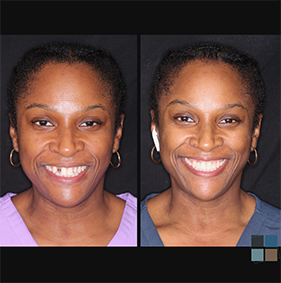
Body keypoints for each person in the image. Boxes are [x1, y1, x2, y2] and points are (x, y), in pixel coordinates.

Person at [141, 42, 281, 246]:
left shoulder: (271, 241)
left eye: (229, 120)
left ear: (254, 132)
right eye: (185, 118)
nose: (206, 142)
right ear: (156, 127)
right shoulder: (125, 235)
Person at [0, 41, 137, 246]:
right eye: (43, 122)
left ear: (117, 133)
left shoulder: (144, 229)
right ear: (15, 133)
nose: (66, 147)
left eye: (89, 123)